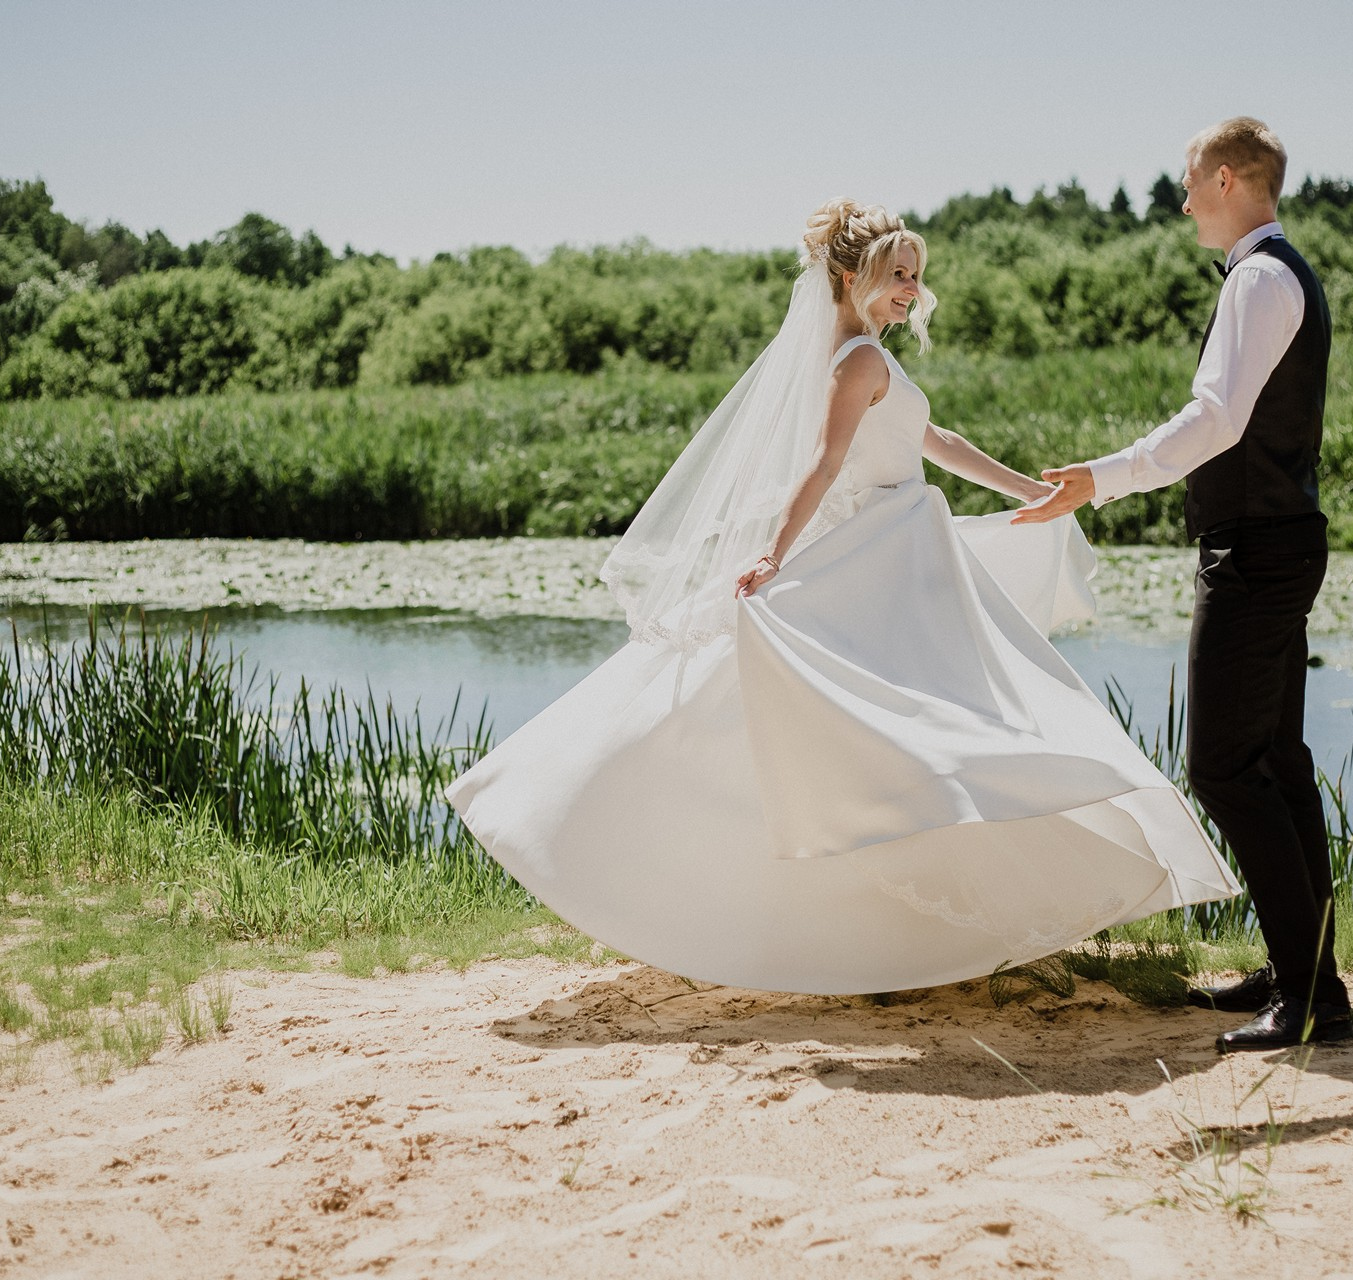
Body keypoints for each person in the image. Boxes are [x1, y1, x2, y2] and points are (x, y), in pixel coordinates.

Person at [445, 199, 1238, 996]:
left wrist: (1031, 491)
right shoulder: (858, 362)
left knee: (916, 730)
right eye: (899, 276)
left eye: (916, 277)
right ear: (854, 277)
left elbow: (938, 443)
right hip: (878, 553)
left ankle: (912, 918)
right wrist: (773, 553)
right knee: (916, 728)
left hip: (903, 549)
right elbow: (823, 468)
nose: (912, 290)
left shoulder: (869, 358)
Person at [1014, 118, 1350, 1051]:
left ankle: (1310, 999)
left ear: (1230, 177)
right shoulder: (1278, 274)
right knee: (1275, 765)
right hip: (1279, 541)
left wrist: (1103, 476)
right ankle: (1306, 977)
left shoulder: (1258, 278)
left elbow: (1216, 419)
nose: (1184, 197)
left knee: (1222, 767)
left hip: (1258, 551)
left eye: (1192, 181)